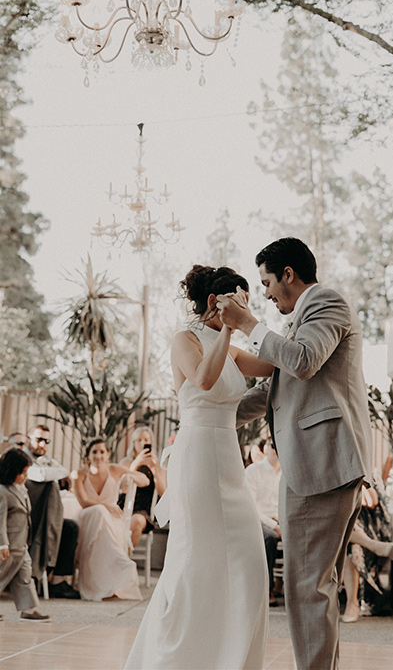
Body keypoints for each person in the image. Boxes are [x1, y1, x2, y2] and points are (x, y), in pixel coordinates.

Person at [216, 237, 373, 670]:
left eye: (268, 281)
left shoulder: (326, 302)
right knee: (314, 586)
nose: (265, 293)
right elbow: (276, 387)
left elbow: (302, 361)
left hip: (321, 463)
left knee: (306, 587)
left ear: (289, 275)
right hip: (320, 463)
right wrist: (213, 417)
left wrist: (247, 324)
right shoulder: (296, 322)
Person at [125, 265, 274, 670]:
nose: (245, 308)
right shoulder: (185, 340)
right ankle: (178, 657)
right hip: (197, 455)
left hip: (228, 453)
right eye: (239, 301)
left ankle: (232, 657)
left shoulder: (233, 347)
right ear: (215, 302)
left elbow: (274, 368)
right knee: (197, 559)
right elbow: (205, 380)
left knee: (248, 558)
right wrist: (229, 330)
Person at [73, 437, 148, 601]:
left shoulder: (114, 469)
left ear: (107, 455)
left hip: (111, 520)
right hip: (87, 518)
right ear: (88, 456)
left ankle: (108, 582)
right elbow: (84, 502)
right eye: (94, 452)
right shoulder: (78, 474)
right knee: (99, 511)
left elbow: (145, 480)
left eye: (102, 452)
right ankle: (118, 559)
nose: (98, 456)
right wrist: (107, 506)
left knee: (105, 519)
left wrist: (130, 476)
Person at [23, 424, 80, 599]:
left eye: (47, 441)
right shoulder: (21, 457)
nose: (42, 444)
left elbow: (58, 470)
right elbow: (39, 475)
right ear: (29, 439)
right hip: (22, 517)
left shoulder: (45, 460)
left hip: (42, 515)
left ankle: (56, 580)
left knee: (70, 528)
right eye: (38, 439)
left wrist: (58, 471)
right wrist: (60, 472)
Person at [0, 448, 51, 622]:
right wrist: (2, 543)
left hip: (21, 543)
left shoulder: (21, 489)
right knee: (1, 574)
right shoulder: (3, 492)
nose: (25, 476)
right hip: (9, 544)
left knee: (24, 575)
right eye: (22, 472)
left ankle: (28, 608)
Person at [342, 484, 393, 622]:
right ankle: (373, 546)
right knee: (340, 526)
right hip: (329, 530)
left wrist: (358, 484)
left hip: (363, 530)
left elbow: (371, 502)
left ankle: (352, 603)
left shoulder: (367, 476)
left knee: (353, 548)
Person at [245, 438, 282, 606]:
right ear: (265, 449)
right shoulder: (254, 471)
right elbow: (251, 507)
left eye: (277, 446)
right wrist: (275, 526)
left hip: (281, 520)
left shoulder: (288, 473)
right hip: (257, 520)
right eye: (272, 445)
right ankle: (266, 590)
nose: (275, 450)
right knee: (270, 538)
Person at [118, 425, 167, 548]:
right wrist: (135, 465)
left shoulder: (158, 465)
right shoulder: (126, 463)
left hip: (143, 511)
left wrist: (154, 469)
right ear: (133, 444)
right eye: (138, 440)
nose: (142, 443)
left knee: (137, 521)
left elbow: (163, 494)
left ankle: (124, 558)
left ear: (151, 443)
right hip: (122, 506)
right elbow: (123, 487)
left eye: (146, 440)